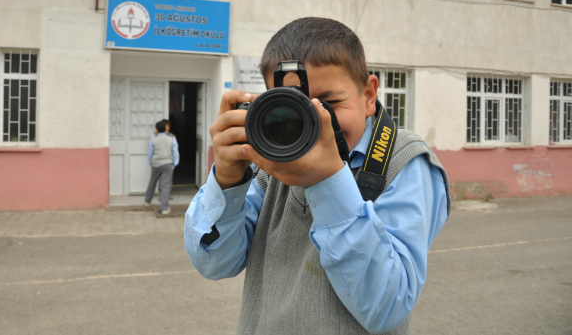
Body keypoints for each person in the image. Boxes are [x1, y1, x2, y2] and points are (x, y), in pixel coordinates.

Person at [184, 17, 450, 335]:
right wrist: (227, 180)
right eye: (295, 106)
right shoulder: (271, 163)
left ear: (368, 95)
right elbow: (216, 263)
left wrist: (327, 180)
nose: (317, 119)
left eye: (329, 102)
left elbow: (386, 307)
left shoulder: (404, 162)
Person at [145, 120, 180, 214]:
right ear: (165, 128)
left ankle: (147, 201)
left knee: (152, 181)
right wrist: (174, 164)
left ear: (157, 130)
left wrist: (151, 163)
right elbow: (175, 153)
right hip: (167, 164)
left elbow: (150, 154)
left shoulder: (154, 139)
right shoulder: (171, 138)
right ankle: (164, 208)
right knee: (165, 186)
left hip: (156, 164)